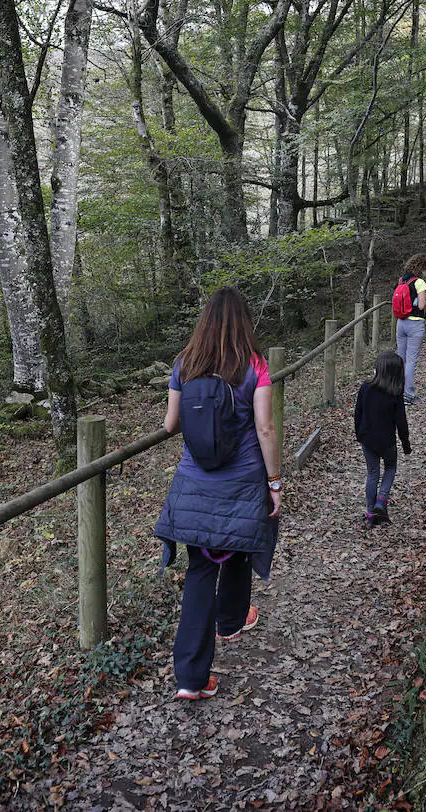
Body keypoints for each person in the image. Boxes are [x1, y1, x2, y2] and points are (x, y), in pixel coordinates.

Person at [154, 287, 283, 701]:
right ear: (244, 321)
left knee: (200, 569)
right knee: (240, 547)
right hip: (243, 479)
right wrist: (275, 482)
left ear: (204, 321)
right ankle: (230, 620)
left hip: (193, 483)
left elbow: (171, 424)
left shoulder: (184, 364)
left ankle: (191, 679)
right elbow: (265, 428)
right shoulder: (255, 365)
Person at [354, 351, 411, 528]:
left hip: (368, 439)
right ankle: (381, 500)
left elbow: (358, 413)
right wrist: (405, 443)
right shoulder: (395, 393)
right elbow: (401, 421)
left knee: (372, 474)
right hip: (387, 441)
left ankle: (370, 515)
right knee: (391, 467)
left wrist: (359, 434)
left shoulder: (365, 387)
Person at [394, 254, 426, 403]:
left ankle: (396, 391)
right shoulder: (419, 282)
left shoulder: (402, 280)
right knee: (411, 361)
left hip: (401, 323)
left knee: (400, 359)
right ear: (422, 267)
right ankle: (408, 396)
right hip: (415, 325)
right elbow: (421, 305)